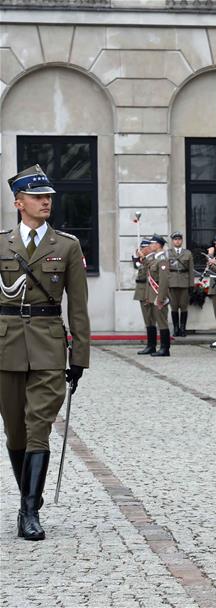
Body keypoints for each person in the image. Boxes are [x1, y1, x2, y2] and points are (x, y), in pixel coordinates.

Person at [1, 164, 90, 541]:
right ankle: (27, 499)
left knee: (39, 429)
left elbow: (79, 306)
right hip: (5, 346)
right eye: (38, 197)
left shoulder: (66, 245)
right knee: (15, 431)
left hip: (50, 345)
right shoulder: (1, 243)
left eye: (49, 197)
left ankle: (29, 511)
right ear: (19, 202)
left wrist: (79, 357)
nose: (46, 202)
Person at [166, 231, 193, 337]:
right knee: (173, 307)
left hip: (184, 282)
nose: (177, 241)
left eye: (179, 239)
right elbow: (165, 270)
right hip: (172, 282)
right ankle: (176, 328)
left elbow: (191, 269)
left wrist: (191, 284)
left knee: (184, 307)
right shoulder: (168, 253)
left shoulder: (188, 253)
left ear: (182, 240)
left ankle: (183, 328)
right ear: (172, 241)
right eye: (175, 239)